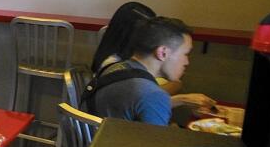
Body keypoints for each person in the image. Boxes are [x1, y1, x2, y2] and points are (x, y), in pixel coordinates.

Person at [82, 16, 213, 124]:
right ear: (163, 53)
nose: (187, 62)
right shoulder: (151, 94)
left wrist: (180, 100)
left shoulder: (115, 67)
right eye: (185, 54)